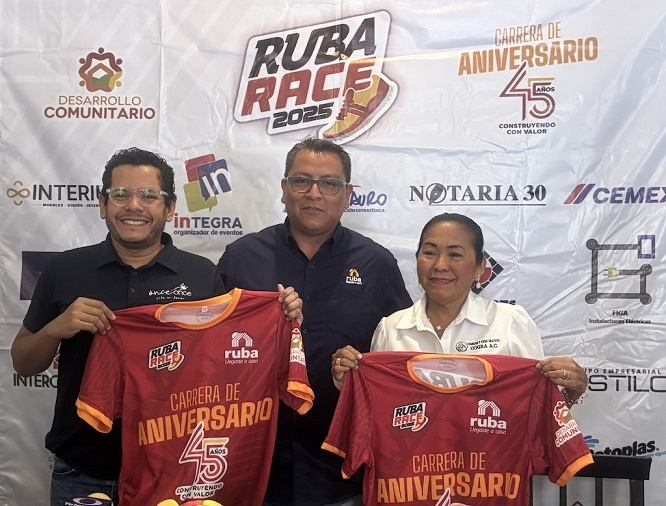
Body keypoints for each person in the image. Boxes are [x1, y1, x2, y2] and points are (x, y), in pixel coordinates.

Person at [11, 147, 302, 506]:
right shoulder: (65, 270)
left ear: (170, 208)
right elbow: (23, 362)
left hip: (174, 472)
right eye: (121, 194)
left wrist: (281, 317)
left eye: (149, 195)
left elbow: (226, 367)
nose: (134, 205)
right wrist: (57, 327)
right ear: (102, 204)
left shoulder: (202, 275)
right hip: (82, 471)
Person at [216, 136, 413, 506]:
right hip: (250, 461)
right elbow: (208, 352)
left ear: (347, 194)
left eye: (329, 184)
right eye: (302, 181)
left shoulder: (377, 264)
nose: (314, 193)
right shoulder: (241, 257)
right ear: (284, 189)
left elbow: (400, 359)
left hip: (340, 468)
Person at [332, 212, 588, 405]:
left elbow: (537, 409)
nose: (440, 265)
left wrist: (572, 391)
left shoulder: (510, 322)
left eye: (455, 255)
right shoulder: (392, 328)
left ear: (480, 267)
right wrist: (346, 380)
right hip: (411, 462)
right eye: (430, 252)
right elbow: (377, 408)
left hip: (490, 462)